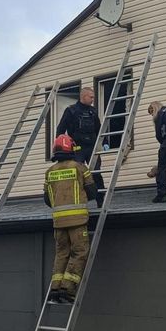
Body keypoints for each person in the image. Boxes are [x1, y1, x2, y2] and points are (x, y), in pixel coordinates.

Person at [44, 133, 97, 303]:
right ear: (71, 149)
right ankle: (68, 288)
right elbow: (92, 191)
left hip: (58, 222)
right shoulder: (80, 168)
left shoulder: (49, 172)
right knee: (79, 252)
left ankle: (55, 289)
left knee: (61, 253)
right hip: (77, 221)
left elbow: (46, 198)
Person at [56, 87, 105, 206]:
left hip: (92, 147)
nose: (93, 99)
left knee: (96, 173)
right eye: (91, 97)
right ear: (83, 97)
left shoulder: (93, 111)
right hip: (77, 148)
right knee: (77, 173)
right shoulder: (71, 111)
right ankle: (77, 199)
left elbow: (99, 129)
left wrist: (103, 143)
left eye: (93, 97)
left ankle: (101, 200)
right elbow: (60, 130)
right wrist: (61, 149)